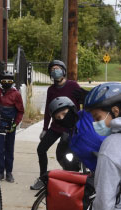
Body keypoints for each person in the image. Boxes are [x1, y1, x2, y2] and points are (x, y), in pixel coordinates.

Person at [49, 96, 106, 210]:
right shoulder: (71, 136)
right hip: (99, 173)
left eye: (64, 113)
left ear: (72, 109)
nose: (62, 118)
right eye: (58, 117)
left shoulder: (87, 116)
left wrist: (88, 96)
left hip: (112, 166)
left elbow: (97, 105)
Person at [30, 60, 88, 190]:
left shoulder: (73, 85)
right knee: (41, 149)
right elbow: (47, 109)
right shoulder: (51, 90)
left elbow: (82, 102)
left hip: (71, 127)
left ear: (63, 71)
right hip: (56, 126)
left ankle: (72, 177)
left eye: (57, 68)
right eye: (52, 70)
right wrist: (45, 128)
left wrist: (82, 122)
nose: (54, 71)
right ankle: (43, 178)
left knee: (65, 154)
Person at [0, 71, 24, 182]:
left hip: (10, 124)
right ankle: (0, 172)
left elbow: (20, 111)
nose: (7, 82)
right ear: (0, 81)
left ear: (12, 81)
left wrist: (15, 123)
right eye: (4, 80)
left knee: (9, 148)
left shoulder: (16, 94)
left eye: (9, 80)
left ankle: (9, 173)